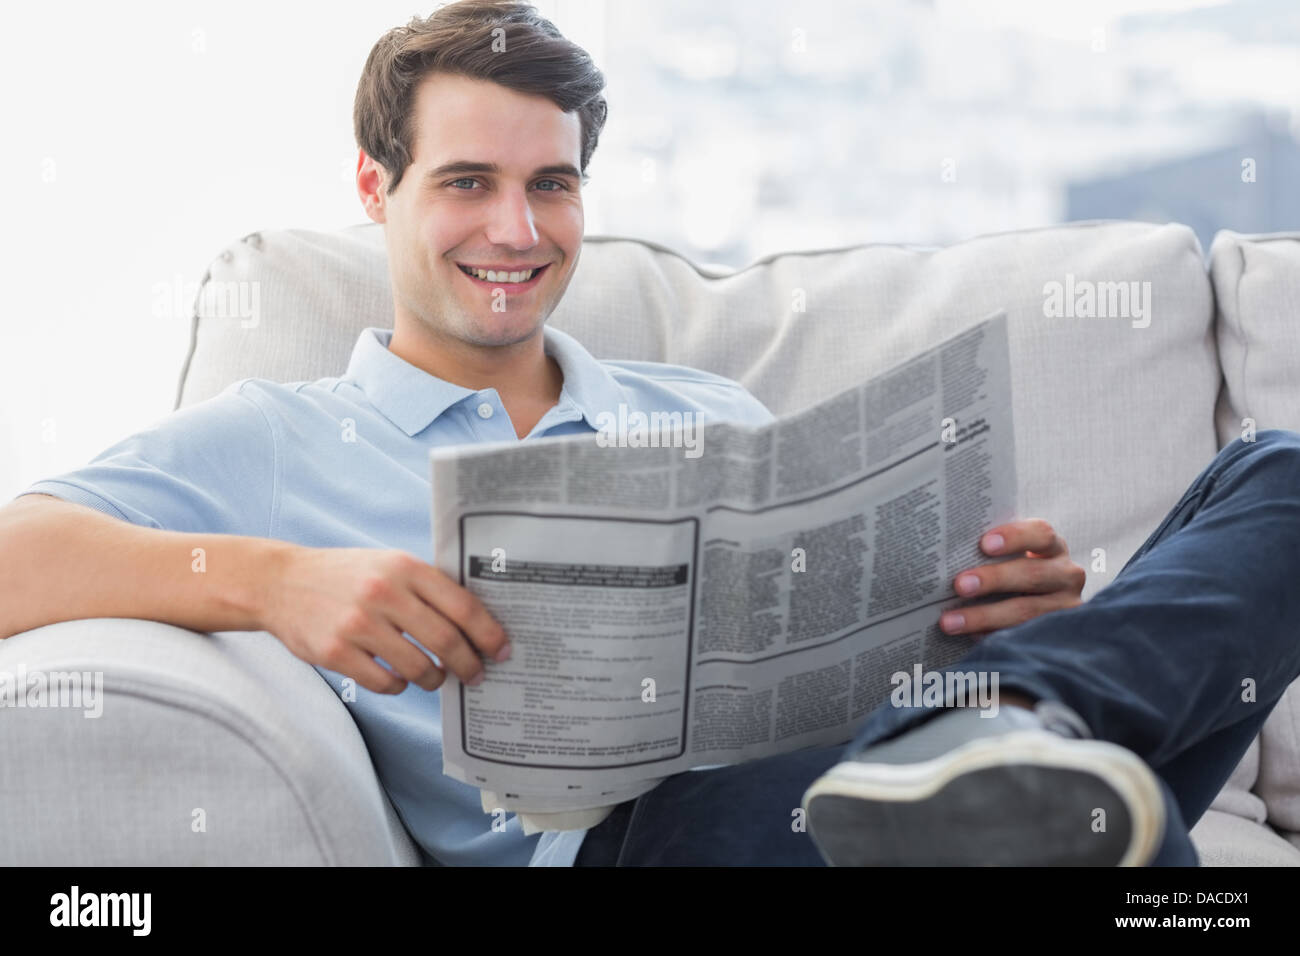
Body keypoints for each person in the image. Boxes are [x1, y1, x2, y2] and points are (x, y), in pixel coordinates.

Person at [3, 0, 1296, 867]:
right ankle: (1021, 760)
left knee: (1277, 476)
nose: (516, 231)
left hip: (865, 775)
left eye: (550, 185)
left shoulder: (706, 412)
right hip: (647, 842)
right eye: (468, 183)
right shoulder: (283, 440)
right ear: (375, 188)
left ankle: (1015, 731)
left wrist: (995, 610)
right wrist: (275, 582)